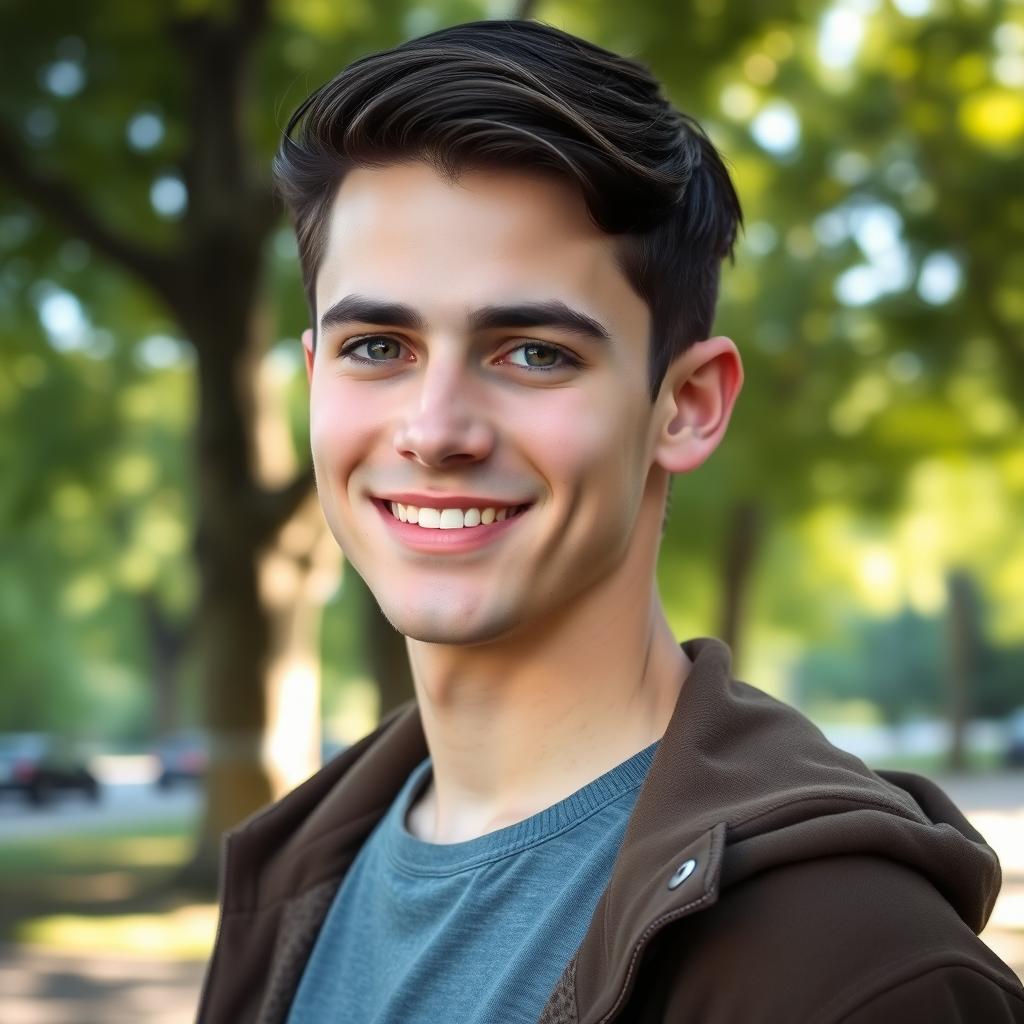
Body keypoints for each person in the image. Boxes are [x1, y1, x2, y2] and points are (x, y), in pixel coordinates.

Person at [196, 18, 1024, 1023]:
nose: (436, 428)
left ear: (686, 405)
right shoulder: (296, 878)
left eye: (532, 351)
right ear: (315, 372)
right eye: (378, 345)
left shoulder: (852, 968)